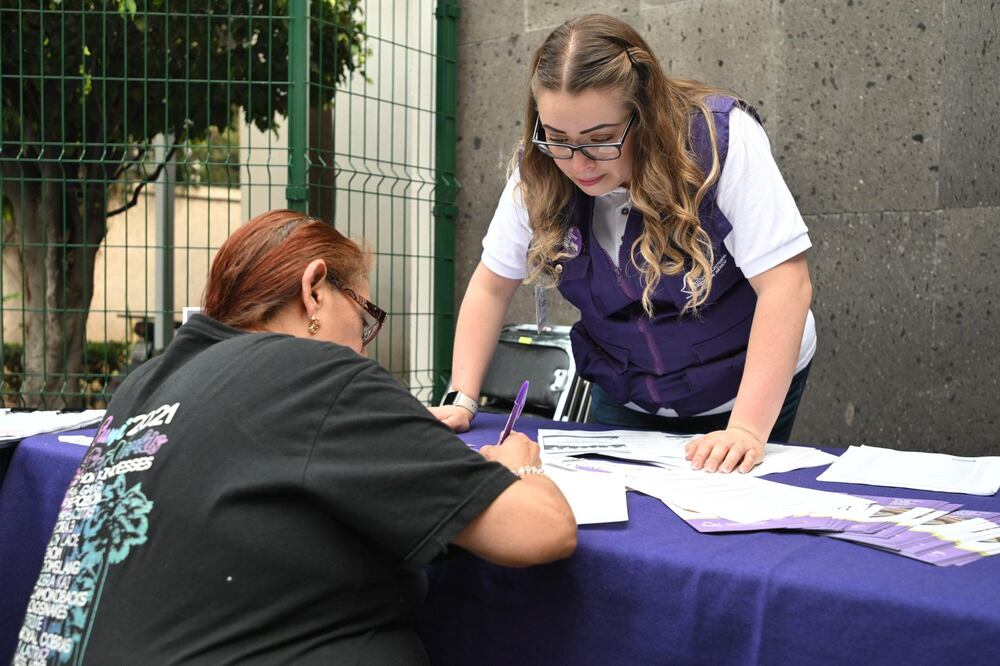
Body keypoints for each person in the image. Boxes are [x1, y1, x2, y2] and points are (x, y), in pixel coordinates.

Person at [13, 210, 575, 665]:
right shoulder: (314, 375)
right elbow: (539, 530)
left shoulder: (144, 385)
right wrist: (519, 465)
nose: (363, 346)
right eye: (365, 315)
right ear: (314, 291)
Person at [430, 14, 815, 475]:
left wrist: (748, 430)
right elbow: (492, 285)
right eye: (558, 139)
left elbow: (786, 286)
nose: (578, 162)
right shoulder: (537, 168)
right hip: (626, 388)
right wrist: (462, 396)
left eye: (600, 140)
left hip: (742, 384)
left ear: (645, 113)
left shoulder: (720, 139)